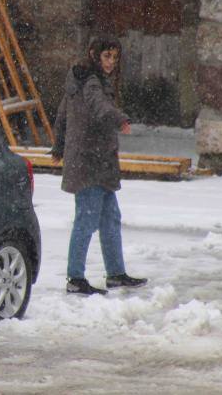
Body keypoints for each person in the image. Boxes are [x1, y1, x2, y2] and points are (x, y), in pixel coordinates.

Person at [51, 38, 148, 296]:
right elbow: (99, 105)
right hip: (89, 161)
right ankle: (75, 278)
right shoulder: (90, 82)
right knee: (86, 219)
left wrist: (59, 146)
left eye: (114, 58)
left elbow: (62, 115)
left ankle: (116, 273)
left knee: (110, 218)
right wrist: (119, 118)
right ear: (94, 55)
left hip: (97, 161)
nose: (111, 63)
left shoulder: (79, 79)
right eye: (107, 56)